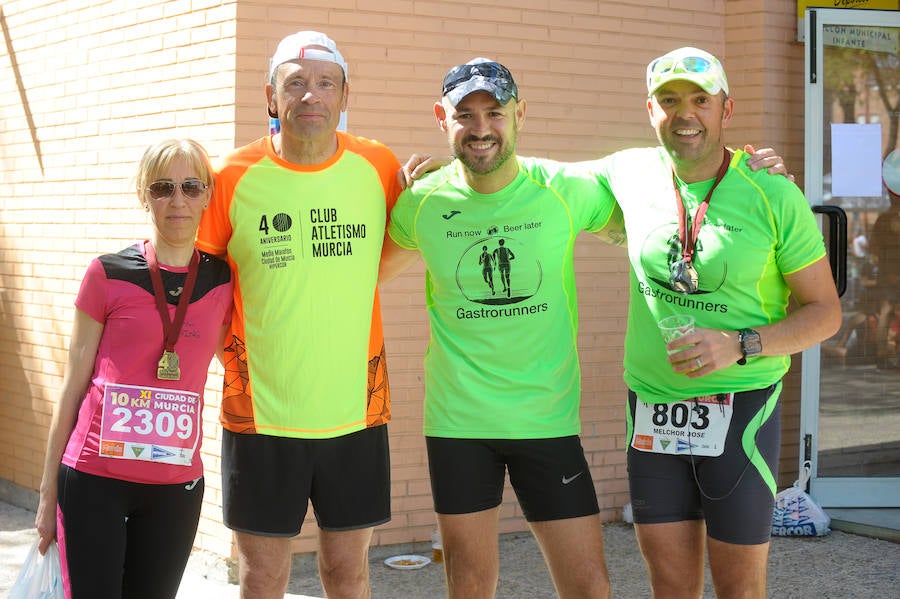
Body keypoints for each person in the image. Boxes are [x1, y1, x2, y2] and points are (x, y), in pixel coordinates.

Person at [380, 56, 792, 598]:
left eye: (495, 112)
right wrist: (392, 186)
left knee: (588, 587)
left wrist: (744, 172)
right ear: (443, 118)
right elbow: (365, 274)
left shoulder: (563, 188)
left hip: (547, 420)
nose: (481, 128)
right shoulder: (422, 202)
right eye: (465, 114)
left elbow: (661, 205)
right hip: (458, 423)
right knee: (469, 582)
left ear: (519, 114)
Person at [596, 47, 842, 598]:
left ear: (726, 111)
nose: (686, 114)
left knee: (739, 589)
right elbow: (531, 181)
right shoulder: (630, 174)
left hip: (742, 411)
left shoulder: (772, 192)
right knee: (670, 586)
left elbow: (826, 312)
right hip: (653, 409)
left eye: (700, 100)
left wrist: (740, 344)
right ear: (651, 110)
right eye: (670, 100)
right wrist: (450, 167)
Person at [195, 31, 401, 599]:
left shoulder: (379, 167)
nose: (310, 96)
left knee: (347, 573)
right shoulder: (231, 177)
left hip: (355, 412)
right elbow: (205, 288)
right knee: (263, 576)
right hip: (260, 413)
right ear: (271, 97)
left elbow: (391, 254)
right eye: (295, 84)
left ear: (343, 94)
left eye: (324, 83)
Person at [34, 139, 233, 598]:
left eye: (190, 186)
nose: (178, 200)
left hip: (174, 486)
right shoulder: (107, 273)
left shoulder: (223, 280)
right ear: (145, 195)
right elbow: (72, 387)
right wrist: (47, 496)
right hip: (93, 480)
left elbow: (243, 360)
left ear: (207, 195)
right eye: (163, 187)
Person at [868, 149, 900, 369]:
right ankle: (884, 352)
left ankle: (882, 353)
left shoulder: (882, 219)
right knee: (887, 311)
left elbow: (873, 249)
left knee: (886, 312)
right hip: (891, 272)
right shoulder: (886, 219)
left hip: (888, 272)